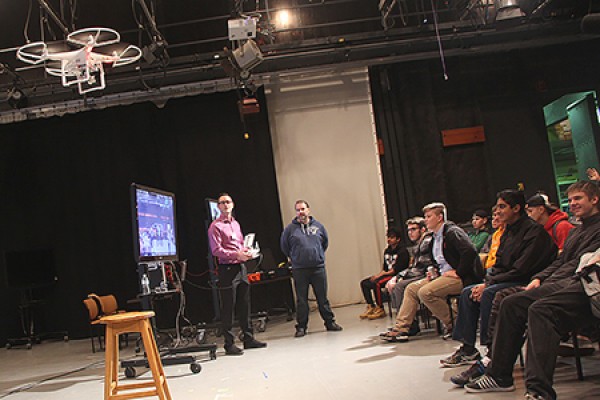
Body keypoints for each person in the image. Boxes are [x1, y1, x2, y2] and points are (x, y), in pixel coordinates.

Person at [465, 181, 600, 400]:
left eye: (579, 199)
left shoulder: (593, 229)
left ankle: (539, 391)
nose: (573, 204)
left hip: (583, 285)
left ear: (594, 200)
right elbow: (562, 261)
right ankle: (499, 374)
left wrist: (545, 281)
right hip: (562, 281)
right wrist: (540, 278)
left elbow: (578, 267)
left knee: (539, 309)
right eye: (571, 199)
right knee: (510, 302)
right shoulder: (577, 231)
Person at [440, 190, 556, 369]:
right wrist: (486, 280)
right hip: (505, 278)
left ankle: (491, 350)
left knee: (489, 294)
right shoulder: (507, 232)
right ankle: (468, 348)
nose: (498, 211)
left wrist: (488, 284)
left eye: (502, 207)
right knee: (467, 293)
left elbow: (521, 269)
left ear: (516, 208)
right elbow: (499, 263)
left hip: (527, 280)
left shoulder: (533, 232)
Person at [382, 202, 483, 342]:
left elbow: (470, 251)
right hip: (442, 275)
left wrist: (459, 272)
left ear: (440, 217)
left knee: (425, 292)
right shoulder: (434, 237)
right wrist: (433, 270)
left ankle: (455, 324)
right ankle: (402, 328)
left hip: (461, 277)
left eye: (429, 216)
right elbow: (436, 259)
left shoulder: (452, 232)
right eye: (425, 216)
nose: (426, 219)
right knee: (411, 289)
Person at [208, 193, 266, 355]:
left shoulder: (236, 224)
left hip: (241, 268)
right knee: (228, 307)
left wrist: (246, 252)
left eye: (228, 202)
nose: (226, 205)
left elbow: (238, 245)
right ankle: (229, 344)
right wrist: (236, 255)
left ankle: (248, 338)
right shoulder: (215, 227)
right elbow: (216, 250)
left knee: (245, 304)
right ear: (218, 207)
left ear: (233, 204)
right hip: (227, 270)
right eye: (222, 203)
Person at [280, 200, 342, 338]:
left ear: (308, 210)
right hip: (300, 270)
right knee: (302, 300)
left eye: (303, 209)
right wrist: (296, 257)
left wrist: (317, 255)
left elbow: (325, 243)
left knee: (322, 298)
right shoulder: (290, 229)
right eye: (298, 210)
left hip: (318, 268)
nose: (300, 212)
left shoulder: (319, 227)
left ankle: (330, 323)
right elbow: (285, 247)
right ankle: (301, 327)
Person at [381, 216, 433, 336]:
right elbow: (414, 267)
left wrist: (399, 277)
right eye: (409, 230)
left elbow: (421, 268)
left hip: (427, 274)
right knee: (396, 285)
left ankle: (406, 325)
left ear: (423, 230)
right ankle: (405, 323)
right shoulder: (418, 244)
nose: (410, 233)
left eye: (413, 229)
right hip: (420, 273)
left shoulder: (426, 242)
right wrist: (398, 276)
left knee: (399, 286)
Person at [359, 226, 409, 320]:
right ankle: (371, 305)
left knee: (377, 283)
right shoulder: (387, 251)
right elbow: (385, 267)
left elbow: (396, 270)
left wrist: (381, 275)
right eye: (388, 237)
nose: (389, 239)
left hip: (397, 275)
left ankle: (380, 308)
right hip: (387, 274)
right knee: (365, 283)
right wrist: (379, 274)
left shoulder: (403, 251)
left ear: (398, 239)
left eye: (392, 237)